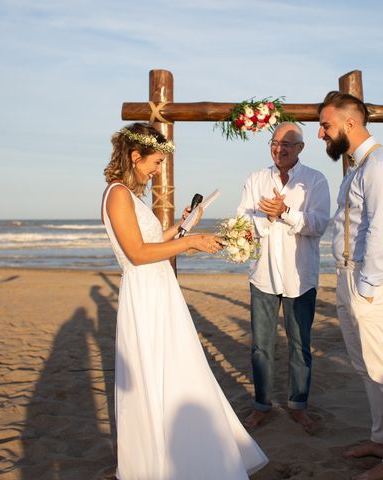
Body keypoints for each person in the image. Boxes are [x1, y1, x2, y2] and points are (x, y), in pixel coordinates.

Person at [101, 122, 267, 479]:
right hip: (145, 294)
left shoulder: (130, 196)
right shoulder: (117, 193)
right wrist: (191, 243)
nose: (159, 170)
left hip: (158, 289)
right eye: (156, 162)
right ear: (135, 156)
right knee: (158, 371)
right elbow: (137, 253)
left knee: (176, 366)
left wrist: (183, 228)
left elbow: (152, 242)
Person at [317, 92, 383, 480]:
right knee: (365, 367)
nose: (322, 134)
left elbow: (381, 231)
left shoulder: (380, 166)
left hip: (370, 279)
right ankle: (382, 439)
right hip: (348, 276)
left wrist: (368, 286)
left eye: (326, 126)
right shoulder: (358, 168)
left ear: (350, 124)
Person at [236, 122, 330, 430]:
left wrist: (285, 212)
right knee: (261, 346)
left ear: (300, 148)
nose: (279, 149)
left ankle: (298, 404)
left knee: (300, 345)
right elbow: (242, 222)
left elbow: (318, 224)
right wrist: (268, 217)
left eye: (286, 144)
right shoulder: (255, 179)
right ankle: (262, 404)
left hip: (300, 278)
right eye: (274, 143)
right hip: (262, 276)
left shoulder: (315, 180)